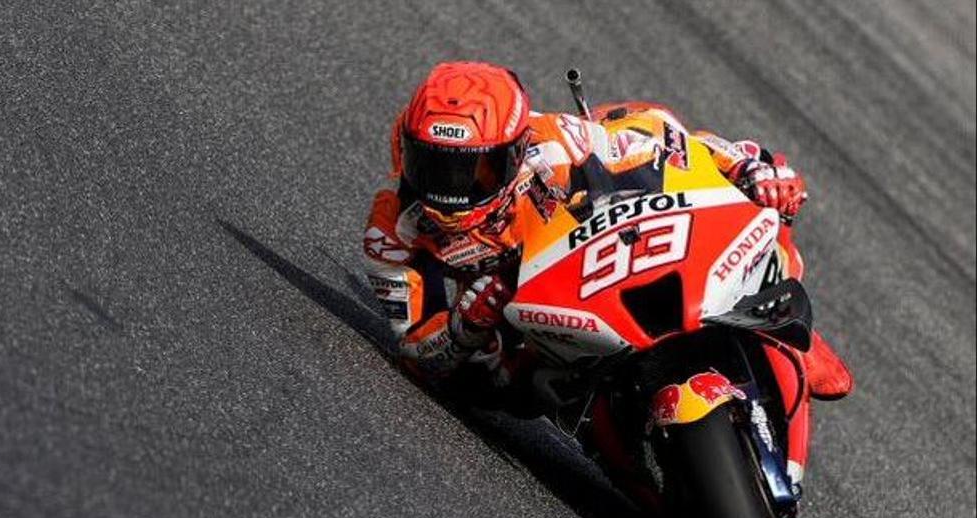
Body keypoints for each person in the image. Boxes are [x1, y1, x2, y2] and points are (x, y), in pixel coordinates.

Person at [362, 60, 853, 401]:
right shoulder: (392, 228)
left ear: (512, 154)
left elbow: (669, 144)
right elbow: (412, 345)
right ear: (404, 148)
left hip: (595, 266)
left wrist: (749, 171)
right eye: (434, 166)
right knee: (487, 385)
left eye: (475, 172)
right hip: (516, 343)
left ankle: (788, 335)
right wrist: (463, 327)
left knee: (639, 117)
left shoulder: (554, 142)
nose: (452, 190)